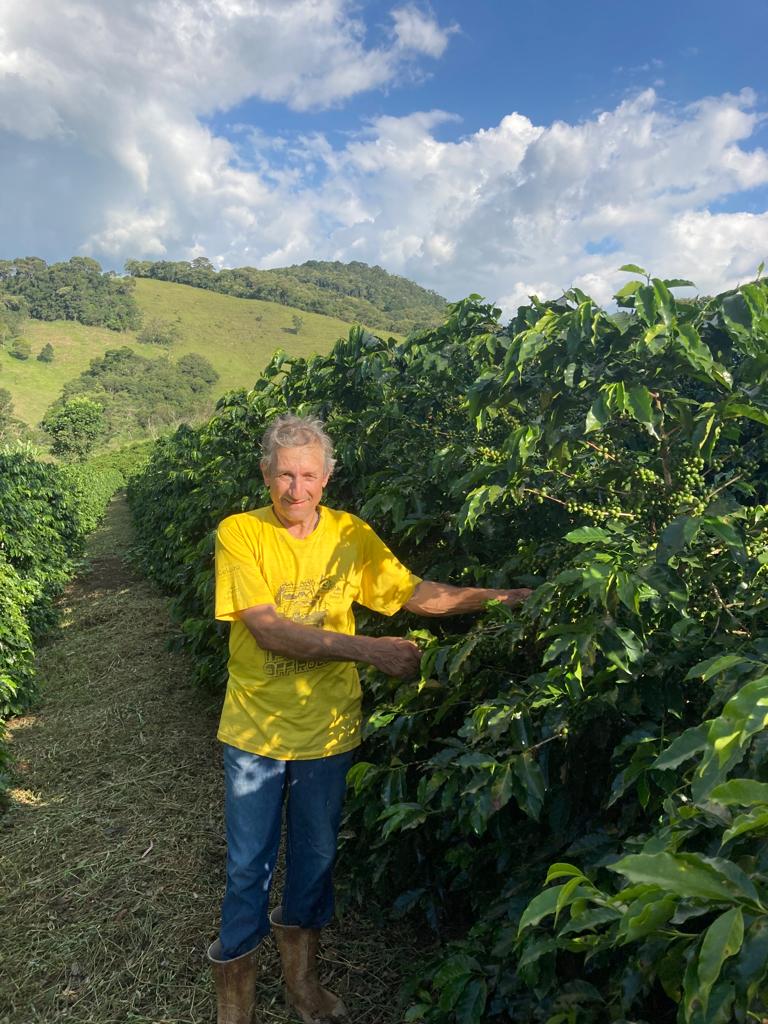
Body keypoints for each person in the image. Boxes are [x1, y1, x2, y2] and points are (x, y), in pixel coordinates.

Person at [207, 413, 531, 1024]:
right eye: (285, 475)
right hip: (255, 729)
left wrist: (500, 598)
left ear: (327, 478)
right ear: (265, 475)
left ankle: (303, 986)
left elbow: (413, 592)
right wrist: (369, 649)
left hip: (328, 729)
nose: (296, 489)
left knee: (315, 860)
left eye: (308, 475)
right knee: (249, 866)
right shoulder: (240, 533)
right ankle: (236, 1005)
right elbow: (268, 630)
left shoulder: (350, 535)